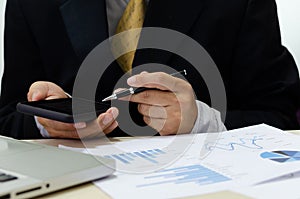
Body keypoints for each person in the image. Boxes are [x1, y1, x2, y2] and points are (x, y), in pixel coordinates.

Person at [0, 0, 299, 139]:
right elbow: (7, 117)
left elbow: (282, 116)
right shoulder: (32, 5)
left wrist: (201, 122)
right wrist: (45, 120)